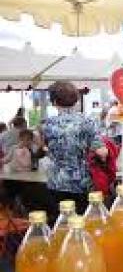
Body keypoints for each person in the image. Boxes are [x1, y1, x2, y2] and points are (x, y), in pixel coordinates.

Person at [41, 81, 108, 225]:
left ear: (53, 102)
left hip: (56, 181)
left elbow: (46, 148)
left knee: (61, 223)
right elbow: (102, 152)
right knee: (82, 223)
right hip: (81, 182)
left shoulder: (47, 124)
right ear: (76, 99)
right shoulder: (87, 121)